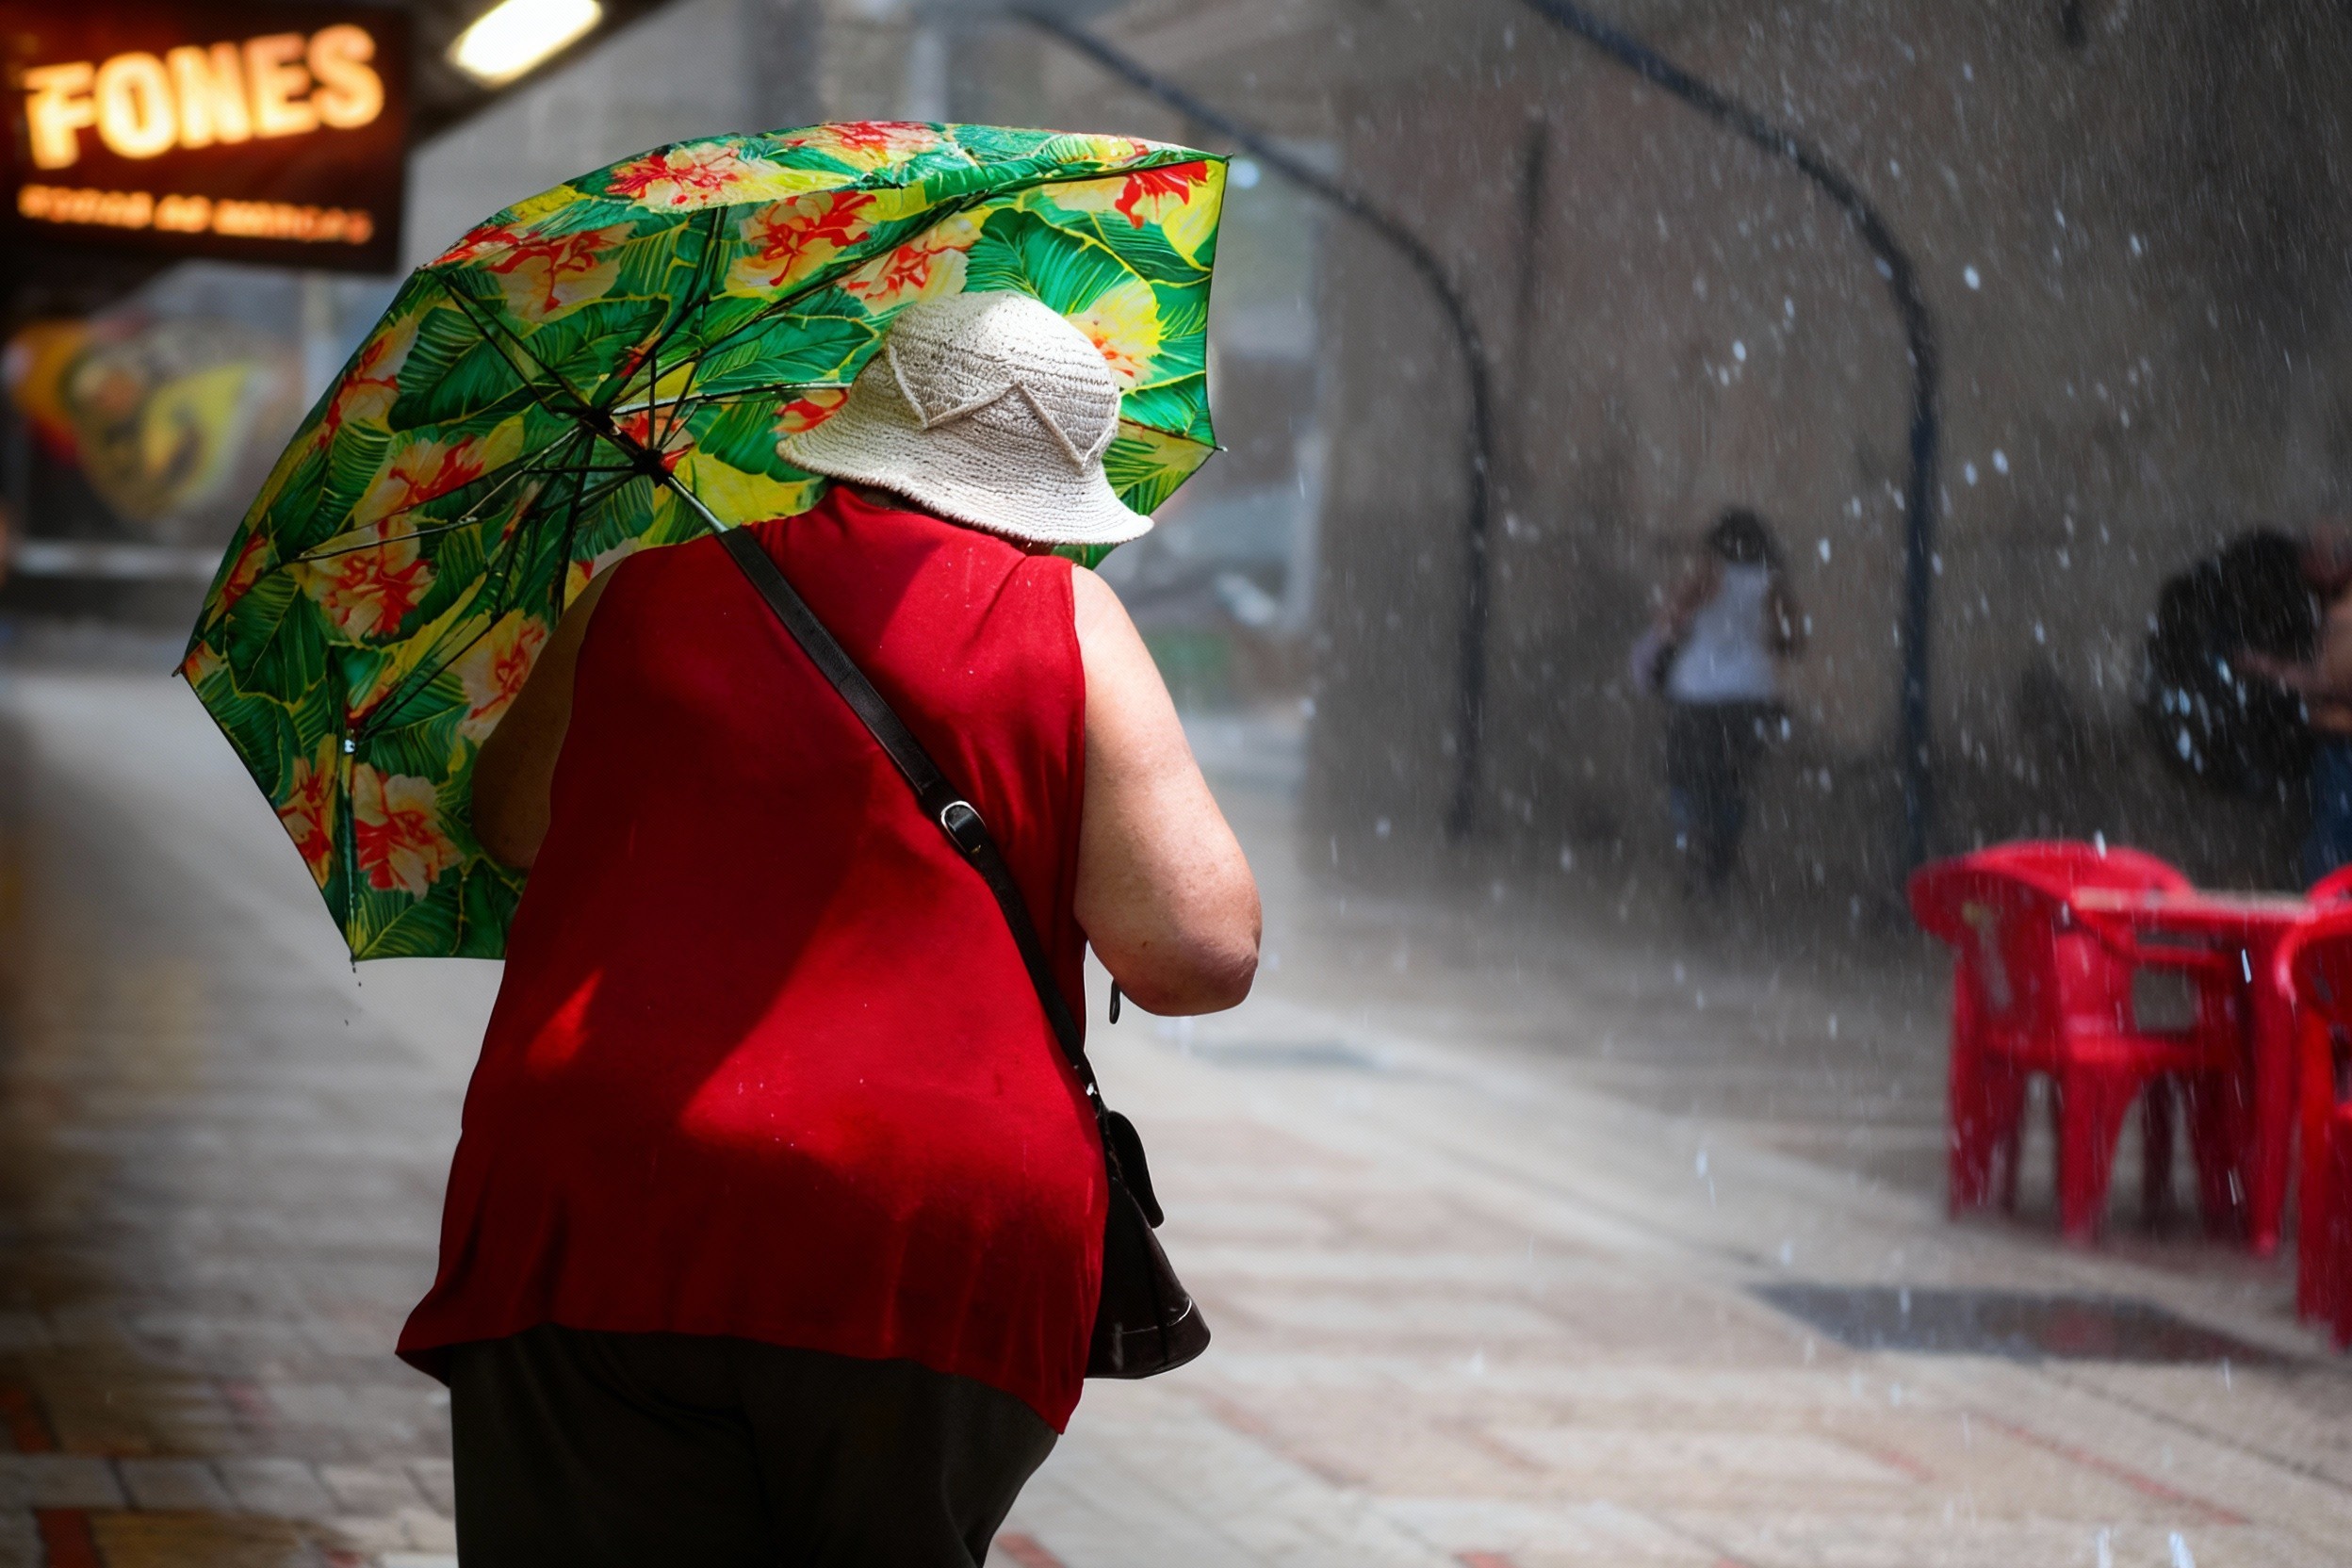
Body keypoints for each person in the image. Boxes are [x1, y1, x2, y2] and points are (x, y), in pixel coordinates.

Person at [396, 290, 1262, 1566]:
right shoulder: (1070, 625)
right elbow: (1199, 951)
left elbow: (510, 821)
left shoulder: (644, 596)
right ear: (1055, 487)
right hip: (916, 1228)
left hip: (599, 1198)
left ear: (853, 430)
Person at [1640, 507, 1805, 892]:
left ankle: (1694, 853)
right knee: (1731, 783)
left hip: (1697, 695)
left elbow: (1668, 620)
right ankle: (1720, 858)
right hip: (1751, 696)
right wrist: (1753, 640)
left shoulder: (1707, 573)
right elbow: (1791, 642)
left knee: (1685, 779)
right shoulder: (1773, 582)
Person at [2237, 525, 2352, 881]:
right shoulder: (2334, 609)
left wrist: (2268, 667)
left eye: (2312, 557)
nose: (2303, 568)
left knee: (2332, 849)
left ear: (2339, 562)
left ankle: (2330, 923)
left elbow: (2334, 684)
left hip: (2343, 752)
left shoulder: (2346, 616)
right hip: (2333, 751)